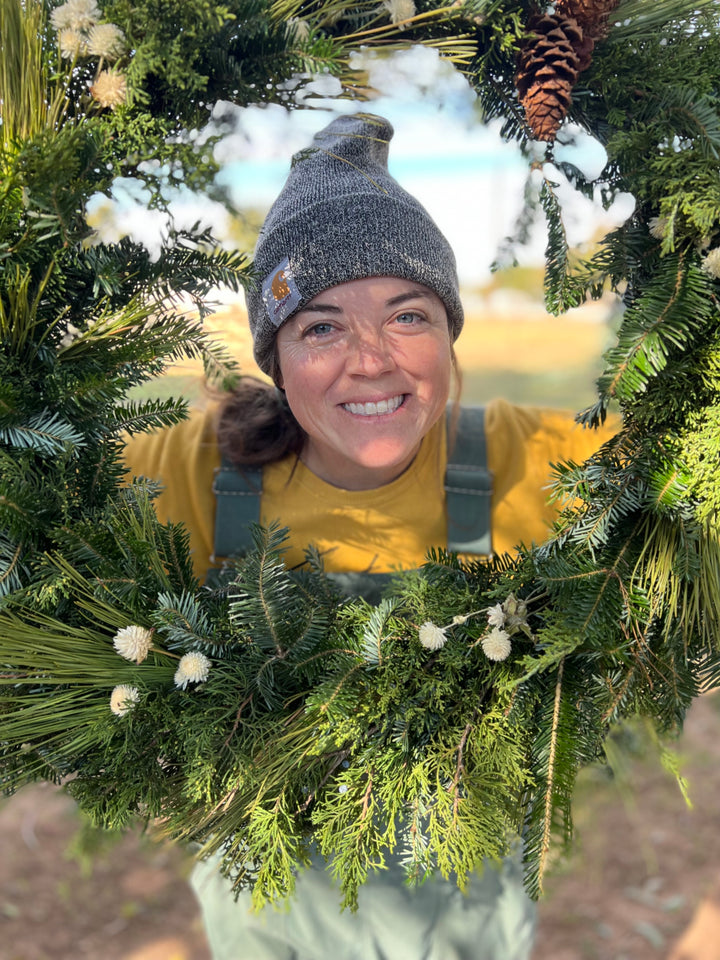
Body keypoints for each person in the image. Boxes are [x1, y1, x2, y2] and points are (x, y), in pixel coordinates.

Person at [122, 112, 616, 960]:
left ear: (449, 333)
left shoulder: (522, 460)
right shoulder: (195, 472)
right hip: (270, 916)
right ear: (276, 358)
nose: (372, 360)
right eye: (320, 327)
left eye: (407, 316)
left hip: (465, 917)